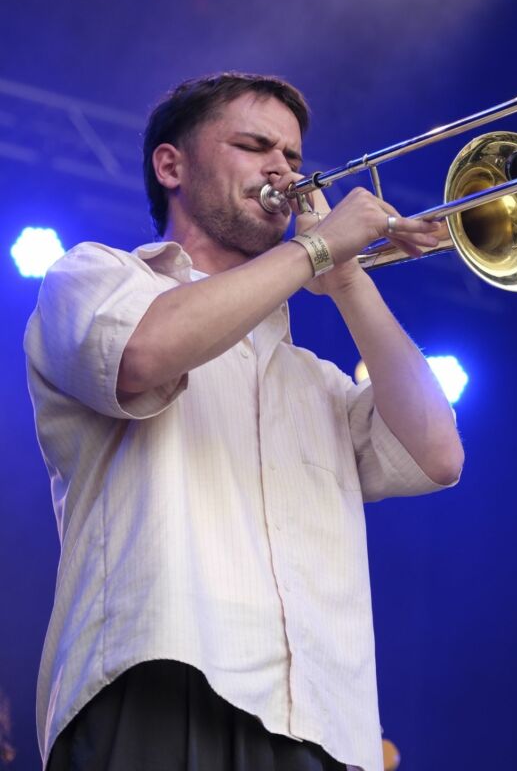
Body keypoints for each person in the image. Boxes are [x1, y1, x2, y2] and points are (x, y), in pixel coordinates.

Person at [25, 72, 464, 771]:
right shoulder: (95, 276)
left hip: (321, 725)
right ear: (171, 165)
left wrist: (348, 276)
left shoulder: (316, 381)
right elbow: (142, 354)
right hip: (157, 681)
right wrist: (314, 250)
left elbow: (439, 455)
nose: (284, 171)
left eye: (292, 157)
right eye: (255, 145)